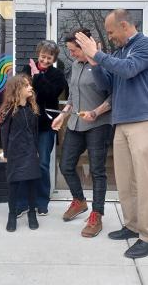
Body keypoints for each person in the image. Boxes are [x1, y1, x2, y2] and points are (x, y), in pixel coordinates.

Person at [76, 9, 148, 258]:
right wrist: (95, 64)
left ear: (125, 25)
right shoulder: (118, 52)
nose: (110, 36)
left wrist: (98, 54)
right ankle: (132, 225)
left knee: (144, 182)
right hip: (122, 122)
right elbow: (108, 85)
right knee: (126, 180)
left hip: (144, 121)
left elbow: (128, 70)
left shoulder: (146, 45)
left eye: (111, 31)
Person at [51, 28, 112, 238]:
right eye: (69, 50)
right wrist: (63, 115)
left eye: (74, 50)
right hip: (76, 124)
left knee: (97, 171)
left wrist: (96, 113)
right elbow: (72, 98)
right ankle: (79, 200)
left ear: (86, 45)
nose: (72, 54)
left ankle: (97, 215)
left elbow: (114, 97)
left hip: (98, 125)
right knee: (65, 165)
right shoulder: (75, 66)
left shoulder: (104, 63)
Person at [17, 40, 67, 216]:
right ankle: (22, 202)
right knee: (24, 163)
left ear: (54, 58)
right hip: (26, 125)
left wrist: (37, 75)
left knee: (43, 164)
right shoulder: (25, 69)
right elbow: (19, 92)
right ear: (38, 54)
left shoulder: (58, 75)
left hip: (46, 126)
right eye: (43, 56)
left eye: (49, 58)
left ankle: (42, 201)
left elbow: (50, 93)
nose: (45, 60)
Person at [0, 74, 41, 232]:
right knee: (13, 184)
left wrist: (36, 150)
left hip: (30, 151)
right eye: (26, 85)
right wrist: (6, 153)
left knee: (31, 182)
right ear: (17, 90)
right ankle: (11, 214)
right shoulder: (9, 111)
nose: (30, 87)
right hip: (15, 152)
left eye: (30, 84)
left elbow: (35, 133)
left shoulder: (32, 109)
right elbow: (5, 133)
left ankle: (32, 213)